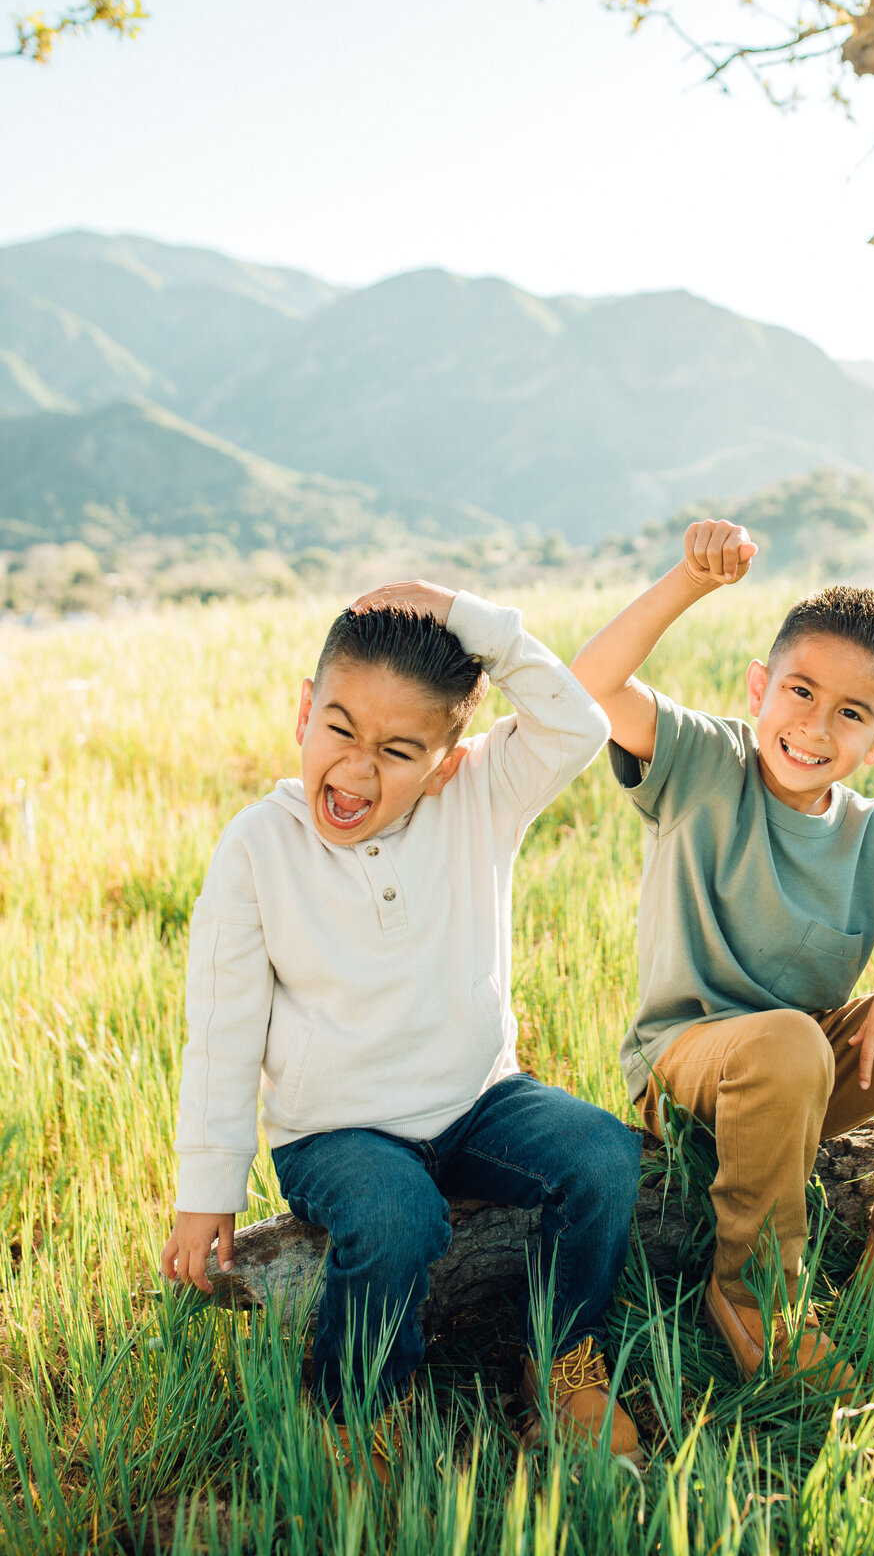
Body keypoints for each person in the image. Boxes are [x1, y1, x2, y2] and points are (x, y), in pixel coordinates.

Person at [160, 580, 644, 1475]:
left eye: (397, 750)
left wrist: (465, 615)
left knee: (605, 1155)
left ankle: (558, 1357)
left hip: (477, 1100)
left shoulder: (481, 801)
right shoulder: (257, 848)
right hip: (336, 1130)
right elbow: (222, 1033)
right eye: (338, 729)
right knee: (394, 1215)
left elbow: (576, 725)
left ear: (447, 761)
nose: (355, 769)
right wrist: (207, 1188)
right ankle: (359, 1410)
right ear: (304, 711)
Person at [571, 521, 874, 1390]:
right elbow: (589, 686)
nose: (814, 727)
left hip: (805, 1071)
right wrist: (689, 582)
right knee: (787, 1041)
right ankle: (753, 1294)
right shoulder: (704, 764)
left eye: (850, 714)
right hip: (687, 1070)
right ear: (759, 688)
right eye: (800, 692)